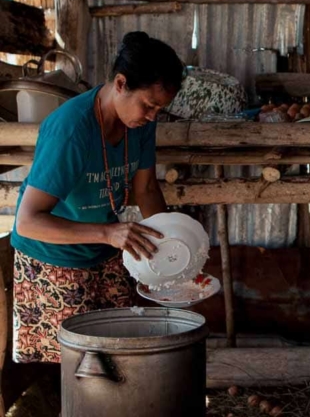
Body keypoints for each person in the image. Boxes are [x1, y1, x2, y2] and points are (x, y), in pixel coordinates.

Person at [11, 31, 184, 364]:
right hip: (53, 257)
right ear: (120, 83)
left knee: (118, 353)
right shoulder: (72, 130)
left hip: (103, 249)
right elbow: (28, 221)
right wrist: (108, 233)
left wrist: (171, 248)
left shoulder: (140, 124)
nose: (151, 116)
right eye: (148, 106)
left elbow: (146, 189)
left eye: (159, 110)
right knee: (82, 367)